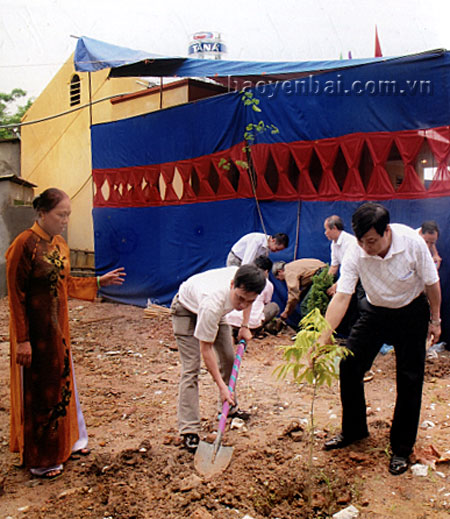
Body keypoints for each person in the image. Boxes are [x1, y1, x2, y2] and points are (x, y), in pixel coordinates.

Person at [6, 188, 126, 479]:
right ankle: (42, 458)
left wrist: (98, 282)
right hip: (34, 336)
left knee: (62, 386)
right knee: (41, 392)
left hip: (58, 332)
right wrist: (22, 340)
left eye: (68, 215)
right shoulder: (23, 245)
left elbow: (64, 284)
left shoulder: (59, 245)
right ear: (42, 213)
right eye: (61, 215)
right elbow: (15, 294)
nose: (66, 220)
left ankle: (69, 442)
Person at [319, 202, 441, 476]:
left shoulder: (412, 242)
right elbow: (342, 295)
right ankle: (354, 430)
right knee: (349, 365)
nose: (366, 248)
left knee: (409, 378)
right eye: (361, 241)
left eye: (372, 241)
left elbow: (432, 283)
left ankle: (401, 448)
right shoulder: (356, 250)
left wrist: (435, 319)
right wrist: (323, 334)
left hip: (411, 311)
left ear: (386, 231)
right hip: (374, 310)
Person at [171, 264, 266, 453]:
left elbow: (248, 299)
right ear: (232, 285)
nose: (242, 305)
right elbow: (205, 349)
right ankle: (189, 430)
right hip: (186, 310)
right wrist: (222, 387)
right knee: (192, 368)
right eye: (240, 298)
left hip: (216, 312)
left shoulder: (248, 281)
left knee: (229, 358)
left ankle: (229, 408)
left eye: (249, 301)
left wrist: (245, 326)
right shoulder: (212, 302)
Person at [226, 256, 279, 337]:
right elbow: (266, 302)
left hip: (230, 320)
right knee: (273, 306)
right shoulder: (268, 284)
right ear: (266, 271)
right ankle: (255, 329)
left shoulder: (239, 277)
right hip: (250, 323)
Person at [323, 215, 357, 297]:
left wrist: (336, 285)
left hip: (357, 278)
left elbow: (351, 270)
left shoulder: (350, 242)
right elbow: (334, 267)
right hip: (346, 277)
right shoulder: (333, 244)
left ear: (334, 228)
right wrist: (324, 282)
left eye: (326, 229)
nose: (325, 233)